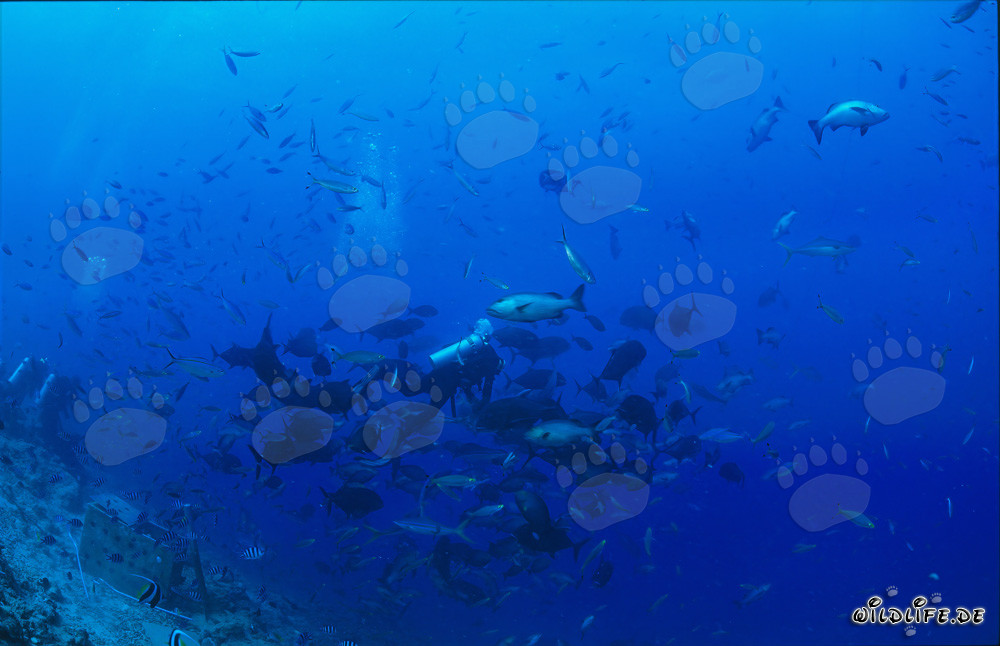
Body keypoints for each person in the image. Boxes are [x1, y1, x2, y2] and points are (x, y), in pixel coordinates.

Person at [426, 319, 504, 415]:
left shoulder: (467, 344)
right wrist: (481, 405)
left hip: (439, 371)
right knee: (429, 413)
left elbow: (445, 348)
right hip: (448, 383)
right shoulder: (492, 359)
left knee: (411, 391)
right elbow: (486, 389)